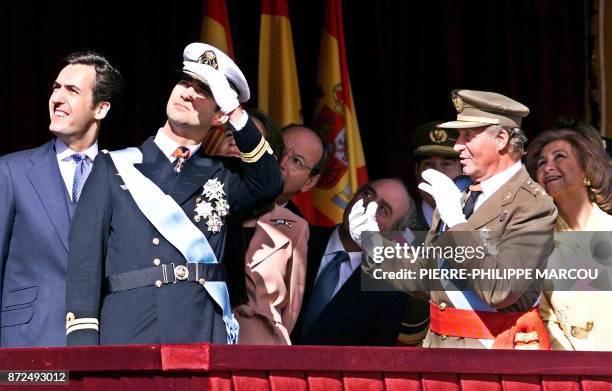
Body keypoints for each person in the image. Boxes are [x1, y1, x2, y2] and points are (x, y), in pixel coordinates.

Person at [64, 42, 282, 346]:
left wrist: (236, 113)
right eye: (184, 82)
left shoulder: (223, 176)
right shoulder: (113, 166)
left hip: (200, 330)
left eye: (204, 90)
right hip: (129, 329)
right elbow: (85, 265)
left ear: (219, 115)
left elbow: (269, 183)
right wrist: (83, 343)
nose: (188, 92)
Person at [357, 89, 557, 349]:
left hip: (491, 357)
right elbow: (427, 276)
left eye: (468, 136)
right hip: (438, 351)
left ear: (501, 139)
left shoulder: (533, 204)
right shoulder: (459, 194)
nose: (456, 146)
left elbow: (500, 289)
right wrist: (372, 244)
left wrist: (456, 222)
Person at [0, 51, 122, 347]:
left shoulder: (123, 175)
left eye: (72, 90)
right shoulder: (11, 171)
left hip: (103, 342)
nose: (56, 97)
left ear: (101, 108)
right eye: (56, 87)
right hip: (27, 342)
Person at [291, 178, 413, 346]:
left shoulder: (389, 289)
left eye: (383, 209)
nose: (368, 206)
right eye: (368, 194)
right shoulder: (299, 238)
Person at [525, 124, 612, 350]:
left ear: (586, 171)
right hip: (573, 371)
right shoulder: (538, 244)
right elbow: (543, 318)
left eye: (559, 157)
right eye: (541, 163)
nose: (548, 166)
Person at [227, 108, 308, 345]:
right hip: (201, 336)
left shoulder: (294, 226)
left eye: (252, 141)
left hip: (261, 344)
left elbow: (292, 308)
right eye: (231, 135)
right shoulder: (193, 204)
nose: (238, 144)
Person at [410, 121, 462, 232]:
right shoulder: (402, 223)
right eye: (428, 164)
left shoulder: (477, 219)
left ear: (463, 171)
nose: (437, 172)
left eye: (446, 164)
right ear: (417, 171)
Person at [276, 124, 326, 217]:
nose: (281, 163)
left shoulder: (299, 229)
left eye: (297, 161)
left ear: (309, 182)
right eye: (279, 150)